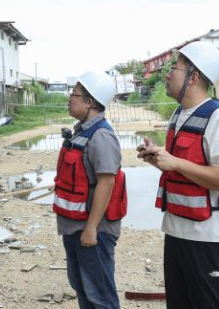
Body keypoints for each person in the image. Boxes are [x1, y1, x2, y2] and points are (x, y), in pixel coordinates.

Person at [137, 41, 219, 309]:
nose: (166, 74)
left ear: (194, 76)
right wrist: (159, 160)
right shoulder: (179, 115)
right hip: (177, 233)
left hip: (208, 239)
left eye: (174, 67)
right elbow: (184, 168)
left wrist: (175, 163)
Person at [54, 71, 127, 309]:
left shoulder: (101, 136)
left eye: (74, 95)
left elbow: (107, 182)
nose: (69, 99)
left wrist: (92, 228)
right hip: (75, 228)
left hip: (93, 232)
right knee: (83, 290)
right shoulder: (83, 132)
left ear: (90, 102)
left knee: (100, 297)